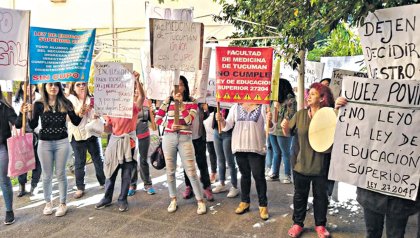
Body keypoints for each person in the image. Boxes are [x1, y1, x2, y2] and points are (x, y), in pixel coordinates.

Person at [335, 96, 420, 238]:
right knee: (373, 233)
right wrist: (342, 110)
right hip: (372, 188)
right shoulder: (373, 107)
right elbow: (351, 132)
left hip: (401, 190)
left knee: (395, 234)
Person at [19, 82, 86, 217]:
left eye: (56, 85)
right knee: (47, 175)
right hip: (44, 143)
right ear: (45, 87)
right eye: (50, 84)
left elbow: (76, 122)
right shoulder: (38, 104)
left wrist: (81, 112)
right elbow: (32, 125)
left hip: (62, 142)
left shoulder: (66, 102)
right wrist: (24, 113)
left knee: (61, 174)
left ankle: (62, 203)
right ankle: (48, 202)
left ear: (59, 88)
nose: (53, 87)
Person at [281, 83, 334, 238]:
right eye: (308, 93)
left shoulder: (329, 116)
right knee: (300, 196)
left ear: (322, 98)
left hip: (321, 166)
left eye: (313, 94)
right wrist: (284, 127)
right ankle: (297, 223)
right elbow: (288, 133)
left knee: (321, 198)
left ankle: (320, 225)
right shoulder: (300, 114)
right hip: (300, 165)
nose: (308, 96)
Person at [155, 75, 207, 215]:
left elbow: (189, 120)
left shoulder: (192, 102)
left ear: (185, 86)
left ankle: (200, 201)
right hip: (169, 137)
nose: (178, 88)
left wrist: (181, 105)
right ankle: (173, 199)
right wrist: (169, 125)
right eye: (176, 85)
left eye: (181, 85)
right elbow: (157, 118)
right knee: (170, 170)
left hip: (185, 139)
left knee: (191, 170)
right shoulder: (168, 101)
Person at [95, 73, 144, 212]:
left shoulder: (132, 107)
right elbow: (109, 129)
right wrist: (98, 122)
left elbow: (142, 98)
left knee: (126, 173)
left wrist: (138, 81)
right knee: (111, 171)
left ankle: (122, 199)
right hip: (115, 141)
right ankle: (107, 197)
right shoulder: (110, 108)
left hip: (129, 143)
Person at [216, 102, 272, 220]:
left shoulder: (263, 107)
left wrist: (270, 120)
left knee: (258, 176)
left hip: (256, 147)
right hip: (239, 146)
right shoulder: (236, 107)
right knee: (244, 175)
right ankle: (245, 202)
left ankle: (263, 205)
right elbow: (227, 126)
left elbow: (270, 128)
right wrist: (221, 120)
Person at [67, 82, 106, 199]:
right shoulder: (70, 100)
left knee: (98, 159)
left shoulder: (92, 98)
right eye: (78, 85)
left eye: (83, 84)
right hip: (78, 135)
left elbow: (99, 115)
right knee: (80, 162)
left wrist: (96, 115)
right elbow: (68, 118)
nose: (81, 86)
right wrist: (80, 110)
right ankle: (80, 187)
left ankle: (104, 181)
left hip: (92, 133)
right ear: (73, 87)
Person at [128, 72, 156, 196]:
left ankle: (147, 183)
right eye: (133, 86)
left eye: (136, 86)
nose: (135, 89)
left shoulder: (146, 102)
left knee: (143, 159)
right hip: (130, 135)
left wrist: (152, 112)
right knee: (132, 160)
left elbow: (153, 123)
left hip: (144, 133)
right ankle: (132, 184)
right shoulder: (125, 101)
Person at [12, 82, 42, 197]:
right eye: (25, 84)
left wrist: (33, 111)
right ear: (21, 86)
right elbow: (16, 123)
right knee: (22, 161)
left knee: (37, 161)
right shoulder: (17, 101)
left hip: (37, 134)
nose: (29, 87)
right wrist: (21, 112)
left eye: (32, 84)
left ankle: (35, 184)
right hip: (22, 135)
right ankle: (22, 185)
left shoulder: (40, 100)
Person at [266, 78, 297, 183]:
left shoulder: (291, 100)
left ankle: (287, 175)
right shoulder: (273, 100)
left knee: (285, 152)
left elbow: (290, 116)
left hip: (283, 130)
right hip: (273, 129)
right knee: (276, 151)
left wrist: (279, 108)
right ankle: (275, 173)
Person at [182, 102, 214, 201]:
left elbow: (207, 114)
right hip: (185, 138)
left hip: (199, 138)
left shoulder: (200, 102)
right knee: (186, 164)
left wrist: (206, 109)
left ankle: (206, 187)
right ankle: (189, 187)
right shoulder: (182, 101)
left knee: (202, 164)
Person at [212, 107, 239, 198]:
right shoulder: (216, 100)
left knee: (230, 161)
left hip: (228, 133)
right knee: (220, 160)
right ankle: (222, 183)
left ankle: (234, 186)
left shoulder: (231, 105)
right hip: (216, 131)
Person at [0, 86, 18, 224]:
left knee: (3, 180)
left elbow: (17, 123)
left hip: (1, 148)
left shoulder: (5, 107)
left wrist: (24, 113)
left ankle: (9, 210)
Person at [203, 109, 217, 184]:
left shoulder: (213, 109)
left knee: (218, 156)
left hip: (216, 136)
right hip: (208, 137)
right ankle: (212, 173)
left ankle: (214, 174)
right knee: (211, 155)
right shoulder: (204, 112)